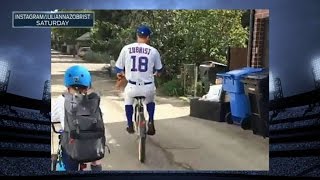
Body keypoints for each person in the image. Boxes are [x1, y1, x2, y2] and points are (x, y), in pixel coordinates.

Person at [51, 65, 104, 171]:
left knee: (66, 154)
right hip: (92, 147)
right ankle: (96, 167)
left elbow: (52, 117)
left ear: (67, 85)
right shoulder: (93, 100)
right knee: (96, 158)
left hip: (71, 147)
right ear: (88, 85)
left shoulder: (62, 100)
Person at [115, 25, 163, 135]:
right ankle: (150, 120)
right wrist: (157, 73)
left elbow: (118, 67)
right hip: (148, 86)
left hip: (132, 86)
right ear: (148, 37)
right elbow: (159, 69)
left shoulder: (126, 49)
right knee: (150, 101)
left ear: (137, 35)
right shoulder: (153, 51)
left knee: (128, 101)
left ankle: (129, 124)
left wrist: (120, 74)